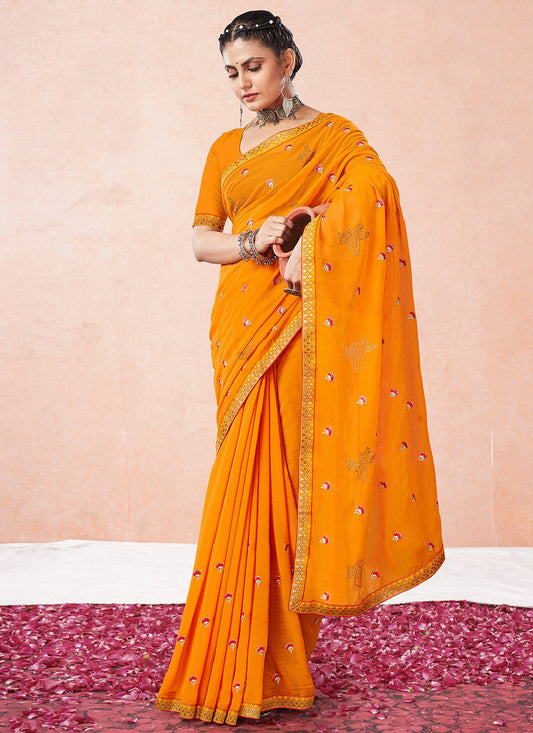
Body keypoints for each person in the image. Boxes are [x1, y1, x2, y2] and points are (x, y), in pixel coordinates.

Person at [155, 10, 444, 726]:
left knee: (288, 486)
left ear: (286, 60)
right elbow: (201, 240)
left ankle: (279, 661)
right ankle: (234, 656)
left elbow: (372, 195)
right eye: (231, 72)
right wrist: (252, 238)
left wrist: (309, 235)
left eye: (253, 66)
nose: (242, 82)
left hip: (300, 324)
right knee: (240, 480)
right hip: (242, 324)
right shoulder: (225, 148)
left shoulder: (334, 137)